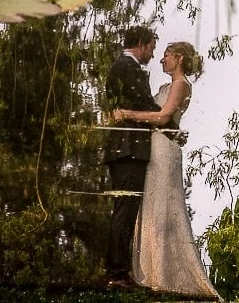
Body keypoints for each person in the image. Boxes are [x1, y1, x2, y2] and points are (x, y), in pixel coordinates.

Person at [112, 41, 221, 300]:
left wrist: (127, 113)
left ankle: (165, 272)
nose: (162, 60)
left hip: (164, 152)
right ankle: (149, 271)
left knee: (164, 205)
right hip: (156, 147)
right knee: (150, 206)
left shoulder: (181, 85)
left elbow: (162, 117)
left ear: (179, 59)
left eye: (167, 56)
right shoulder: (164, 87)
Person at [102, 25, 159, 287]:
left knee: (124, 210)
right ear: (141, 43)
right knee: (125, 210)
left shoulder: (123, 67)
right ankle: (117, 273)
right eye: (151, 47)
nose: (152, 53)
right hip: (128, 147)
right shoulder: (128, 68)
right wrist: (170, 122)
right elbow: (146, 104)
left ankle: (118, 270)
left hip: (123, 148)